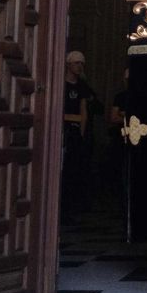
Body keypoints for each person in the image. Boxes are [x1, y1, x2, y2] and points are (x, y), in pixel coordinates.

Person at [61, 50, 97, 221]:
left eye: (82, 63)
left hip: (75, 133)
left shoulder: (82, 87)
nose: (80, 66)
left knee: (75, 168)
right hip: (61, 132)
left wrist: (82, 134)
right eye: (77, 63)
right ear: (68, 64)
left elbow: (83, 113)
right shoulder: (60, 85)